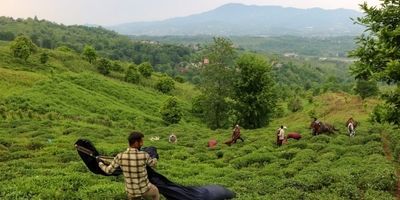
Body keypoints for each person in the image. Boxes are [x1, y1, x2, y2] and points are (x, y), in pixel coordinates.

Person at [97, 131, 159, 200]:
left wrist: (100, 163)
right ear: (136, 143)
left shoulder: (120, 156)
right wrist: (155, 157)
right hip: (144, 189)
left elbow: (108, 171)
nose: (142, 144)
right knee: (155, 192)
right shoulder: (144, 155)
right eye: (141, 142)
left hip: (131, 192)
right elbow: (153, 165)